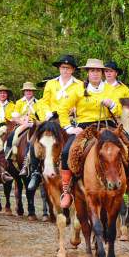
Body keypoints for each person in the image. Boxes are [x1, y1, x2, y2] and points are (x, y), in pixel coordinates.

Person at [57, 58, 129, 209]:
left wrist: (113, 105)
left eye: (98, 71)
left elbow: (121, 110)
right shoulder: (77, 90)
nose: (95, 74)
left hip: (109, 125)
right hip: (85, 127)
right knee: (66, 151)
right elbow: (63, 109)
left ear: (102, 73)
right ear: (88, 73)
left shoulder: (111, 89)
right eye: (92, 71)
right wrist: (69, 128)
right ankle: (67, 190)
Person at [25, 54, 83, 192]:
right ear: (59, 69)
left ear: (73, 70)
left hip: (70, 119)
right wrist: (47, 113)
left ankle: (78, 171)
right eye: (63, 67)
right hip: (51, 118)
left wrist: (74, 109)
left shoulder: (80, 85)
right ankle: (35, 172)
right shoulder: (51, 83)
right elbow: (44, 101)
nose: (65, 70)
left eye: (68, 68)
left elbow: (80, 101)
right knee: (34, 139)